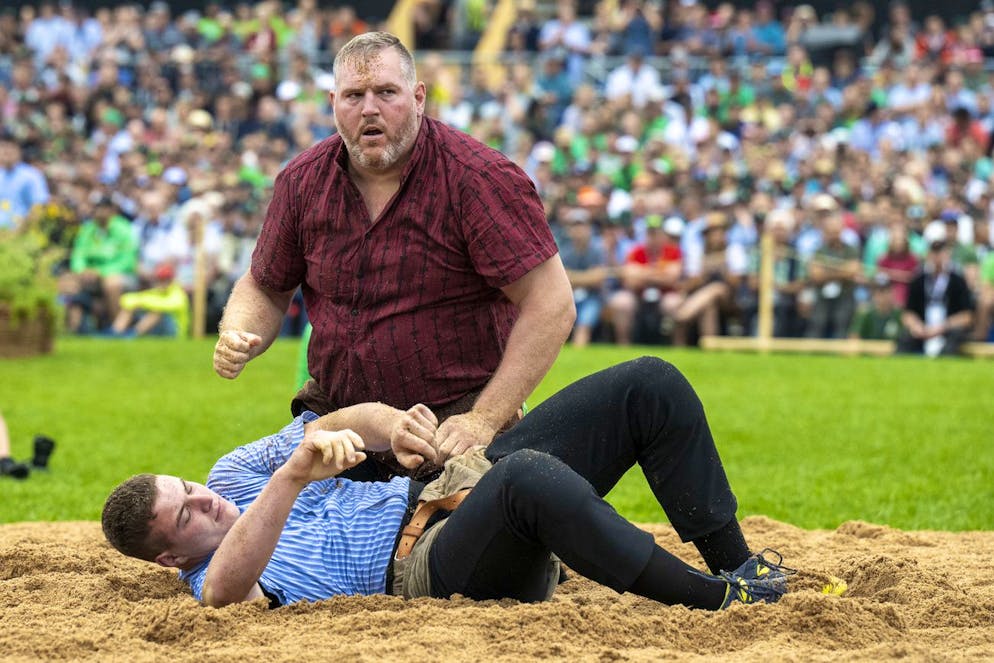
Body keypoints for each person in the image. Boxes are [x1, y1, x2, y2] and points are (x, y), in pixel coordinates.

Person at [103, 357, 792, 611]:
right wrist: (292, 475)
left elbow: (342, 418)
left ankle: (735, 560)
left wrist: (392, 425)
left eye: (189, 484)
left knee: (649, 383)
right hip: (423, 570)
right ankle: (717, 601)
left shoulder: (230, 472)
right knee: (526, 478)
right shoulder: (205, 582)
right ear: (170, 554)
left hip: (439, 489)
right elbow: (232, 591)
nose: (206, 496)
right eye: (187, 513)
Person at [213, 32, 575, 480]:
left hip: (450, 426)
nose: (369, 108)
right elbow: (266, 285)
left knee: (445, 545)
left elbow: (551, 303)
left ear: (418, 97)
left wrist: (484, 419)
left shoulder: (479, 178)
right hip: (340, 423)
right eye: (354, 95)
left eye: (386, 92)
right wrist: (239, 332)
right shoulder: (301, 182)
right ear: (333, 102)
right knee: (236, 495)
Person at [898, 222, 974, 356]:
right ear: (928, 253)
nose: (937, 256)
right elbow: (908, 312)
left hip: (947, 329)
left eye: (940, 251)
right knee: (904, 338)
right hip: (923, 328)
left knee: (955, 338)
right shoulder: (919, 279)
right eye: (934, 251)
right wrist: (917, 326)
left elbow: (967, 316)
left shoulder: (957, 280)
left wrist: (942, 327)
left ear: (947, 253)